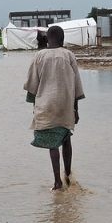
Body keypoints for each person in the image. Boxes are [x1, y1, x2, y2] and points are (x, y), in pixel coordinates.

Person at [24, 25, 85, 190]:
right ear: (62, 39)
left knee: (53, 144)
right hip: (65, 105)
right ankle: (68, 175)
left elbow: (32, 86)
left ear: (47, 39)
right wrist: (76, 109)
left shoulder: (39, 56)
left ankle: (57, 182)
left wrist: (34, 107)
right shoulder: (68, 55)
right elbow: (76, 86)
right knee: (66, 138)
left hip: (46, 105)